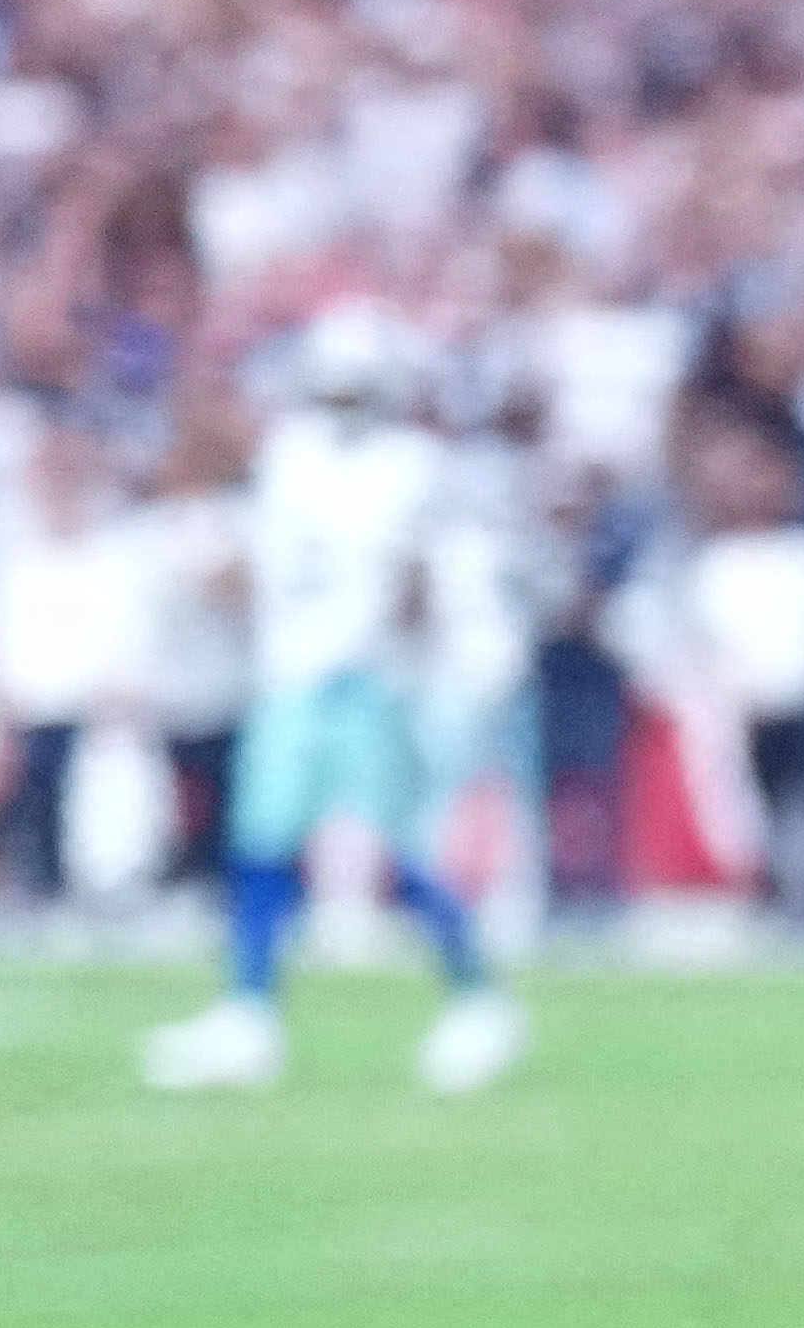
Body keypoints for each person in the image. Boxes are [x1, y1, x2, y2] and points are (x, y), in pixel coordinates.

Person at [134, 304, 528, 1098]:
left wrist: (409, 660)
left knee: (396, 846)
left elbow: (416, 581)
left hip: (366, 680)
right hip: (295, 677)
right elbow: (272, 568)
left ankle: (477, 996)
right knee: (262, 844)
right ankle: (249, 1011)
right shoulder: (294, 455)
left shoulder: (408, 466)